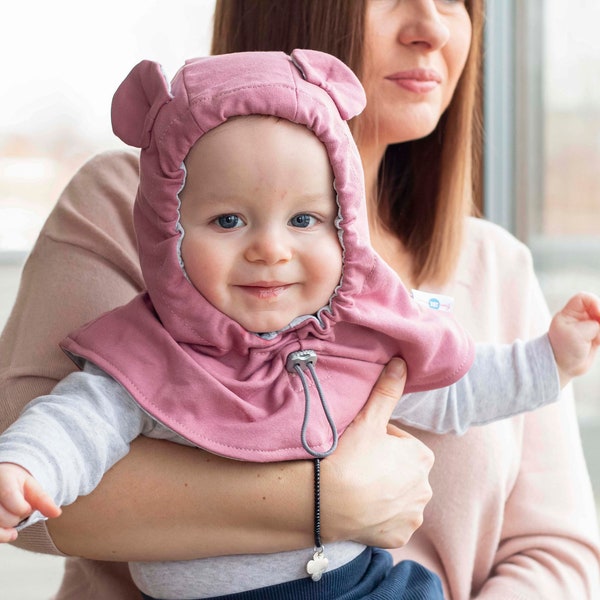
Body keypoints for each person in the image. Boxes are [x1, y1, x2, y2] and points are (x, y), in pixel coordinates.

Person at [0, 1, 598, 599]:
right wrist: (327, 499)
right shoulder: (138, 276)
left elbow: (473, 408)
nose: (431, 28)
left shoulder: (378, 316)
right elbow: (60, 448)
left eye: (453, 0)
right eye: (228, 220)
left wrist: (551, 359)